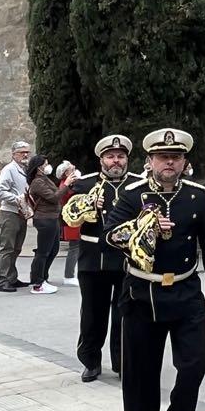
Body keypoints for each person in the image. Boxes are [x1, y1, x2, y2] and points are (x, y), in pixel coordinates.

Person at [104, 128, 205, 411]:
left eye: (175, 157)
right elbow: (110, 236)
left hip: (186, 291)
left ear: (184, 161)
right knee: (141, 373)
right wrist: (143, 227)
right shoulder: (132, 195)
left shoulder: (198, 195)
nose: (168, 162)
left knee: (195, 363)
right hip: (143, 293)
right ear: (150, 161)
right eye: (162, 157)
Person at [62, 135, 133, 382]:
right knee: (93, 313)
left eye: (120, 156)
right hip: (94, 259)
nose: (116, 161)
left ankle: (122, 362)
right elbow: (69, 217)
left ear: (127, 159)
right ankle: (91, 360)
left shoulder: (137, 185)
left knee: (125, 314)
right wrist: (88, 204)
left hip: (126, 260)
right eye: (111, 156)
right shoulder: (84, 184)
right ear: (101, 159)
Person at [0, 140, 32, 292]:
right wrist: (18, 198)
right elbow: (0, 192)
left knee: (16, 248)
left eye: (27, 152)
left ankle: (12, 277)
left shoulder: (24, 169)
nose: (25, 155)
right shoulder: (9, 169)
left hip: (21, 213)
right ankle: (3, 280)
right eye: (22, 152)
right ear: (13, 154)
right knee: (7, 248)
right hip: (10, 213)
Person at [26, 155, 62, 294]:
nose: (48, 166)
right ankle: (37, 283)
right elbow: (54, 198)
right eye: (45, 164)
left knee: (53, 249)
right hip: (45, 219)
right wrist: (65, 185)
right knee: (43, 251)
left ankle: (43, 277)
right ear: (38, 167)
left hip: (52, 218)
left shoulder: (44, 179)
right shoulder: (37, 182)